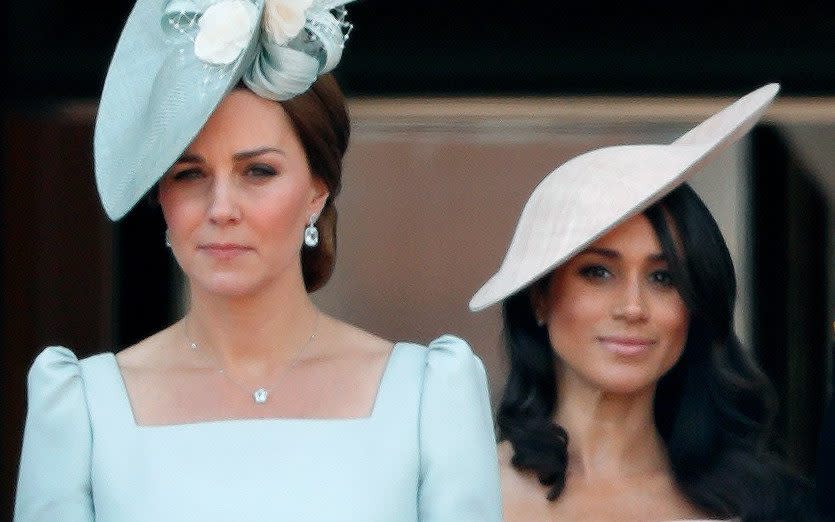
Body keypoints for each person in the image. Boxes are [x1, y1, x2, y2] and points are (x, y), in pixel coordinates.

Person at [14, 1, 502, 520]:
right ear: (161, 197)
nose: (222, 209)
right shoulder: (81, 411)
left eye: (258, 172)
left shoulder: (428, 397)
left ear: (317, 190)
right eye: (189, 174)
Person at [469, 84, 812, 521]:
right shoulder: (459, 495)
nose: (633, 307)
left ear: (695, 305)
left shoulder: (766, 506)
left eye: (663, 277)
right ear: (539, 297)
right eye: (598, 272)